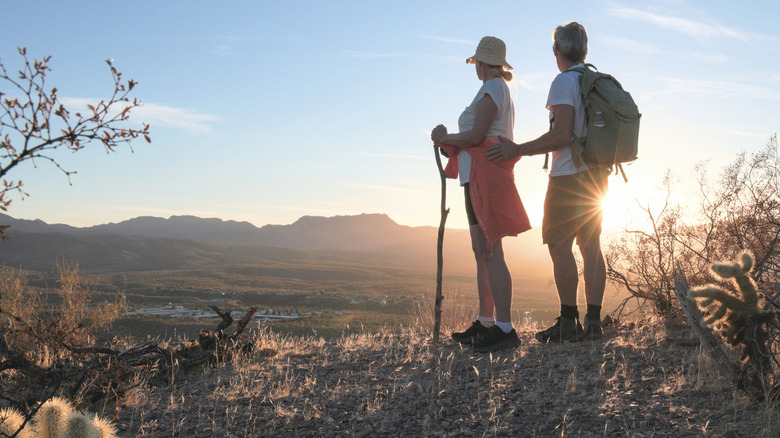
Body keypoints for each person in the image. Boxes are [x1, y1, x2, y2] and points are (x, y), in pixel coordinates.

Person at [486, 22, 608, 343]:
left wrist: (518, 149)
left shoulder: (564, 82)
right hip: (597, 178)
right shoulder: (596, 81)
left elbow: (561, 134)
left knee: (559, 246)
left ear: (557, 51)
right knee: (591, 245)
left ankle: (569, 323)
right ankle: (593, 321)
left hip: (568, 177)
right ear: (584, 50)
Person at [431, 36, 531, 352]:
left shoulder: (493, 88)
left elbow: (476, 135)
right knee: (482, 249)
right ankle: (487, 322)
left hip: (484, 174)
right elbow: (477, 136)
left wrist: (446, 138)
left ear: (481, 64)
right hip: (475, 174)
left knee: (491, 248)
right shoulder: (493, 88)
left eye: (475, 63)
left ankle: (504, 327)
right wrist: (449, 142)